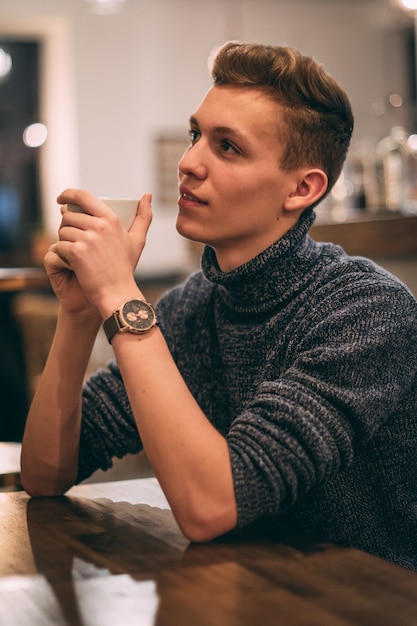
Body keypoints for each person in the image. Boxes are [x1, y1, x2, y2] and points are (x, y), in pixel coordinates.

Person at [21, 41, 417, 571]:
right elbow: (45, 474)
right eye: (195, 136)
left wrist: (120, 296)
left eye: (227, 147)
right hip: (242, 593)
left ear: (302, 188)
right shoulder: (194, 306)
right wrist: (80, 313)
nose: (188, 163)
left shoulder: (369, 311)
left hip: (364, 605)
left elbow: (212, 506)